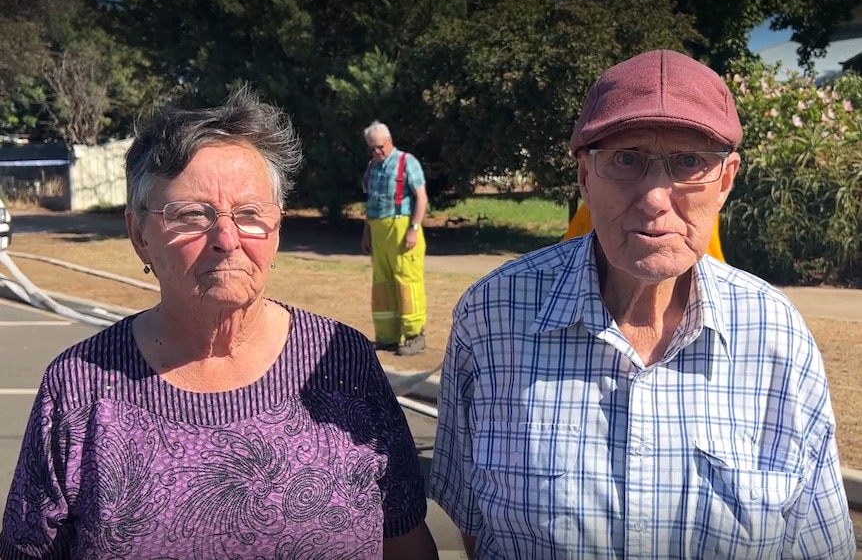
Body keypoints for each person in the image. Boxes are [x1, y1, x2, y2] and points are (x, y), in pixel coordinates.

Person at [429, 49, 855, 559]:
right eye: (627, 159)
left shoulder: (776, 334)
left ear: (725, 180)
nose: (655, 197)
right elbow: (471, 526)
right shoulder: (493, 316)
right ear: (586, 177)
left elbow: (816, 547)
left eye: (689, 162)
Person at [0, 88, 438, 560]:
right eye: (191, 215)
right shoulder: (80, 388)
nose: (226, 239)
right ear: (138, 235)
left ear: (276, 229)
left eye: (250, 214)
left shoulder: (343, 362)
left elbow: (406, 541)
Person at [360, 121, 429, 356]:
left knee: (407, 283)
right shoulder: (373, 167)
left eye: (379, 147)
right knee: (382, 285)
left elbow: (421, 197)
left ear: (389, 141)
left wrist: (414, 228)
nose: (377, 152)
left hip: (402, 228)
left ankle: (415, 336)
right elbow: (370, 204)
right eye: (372, 148)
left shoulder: (407, 162)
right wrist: (367, 232)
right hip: (379, 232)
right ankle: (387, 337)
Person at [563, 203, 726, 262]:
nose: (654, 202)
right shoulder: (593, 211)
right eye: (628, 160)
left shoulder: (593, 209)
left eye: (688, 161)